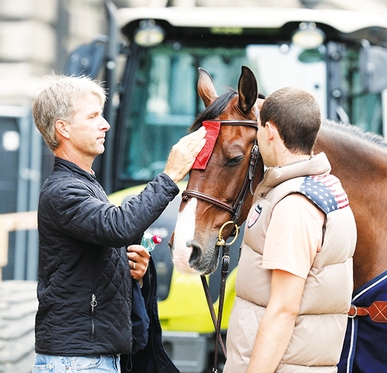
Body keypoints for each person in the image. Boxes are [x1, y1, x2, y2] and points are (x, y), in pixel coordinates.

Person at [31, 74, 207, 373]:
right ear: (64, 129)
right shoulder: (63, 191)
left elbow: (94, 255)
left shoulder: (87, 186)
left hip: (92, 360)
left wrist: (130, 272)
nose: (105, 124)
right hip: (78, 363)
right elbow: (119, 226)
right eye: (93, 116)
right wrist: (170, 175)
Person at [223, 87, 357, 373]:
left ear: (270, 131)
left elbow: (284, 309)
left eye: (259, 127)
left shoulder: (294, 205)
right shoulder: (325, 188)